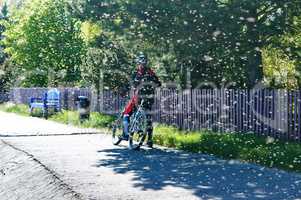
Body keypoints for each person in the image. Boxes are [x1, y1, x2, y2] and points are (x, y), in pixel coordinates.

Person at [122, 52, 161, 148]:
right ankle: (149, 140)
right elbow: (159, 83)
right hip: (149, 97)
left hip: (139, 97)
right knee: (148, 117)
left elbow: (130, 84)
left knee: (129, 112)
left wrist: (124, 90)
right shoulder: (150, 72)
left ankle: (127, 134)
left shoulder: (137, 73)